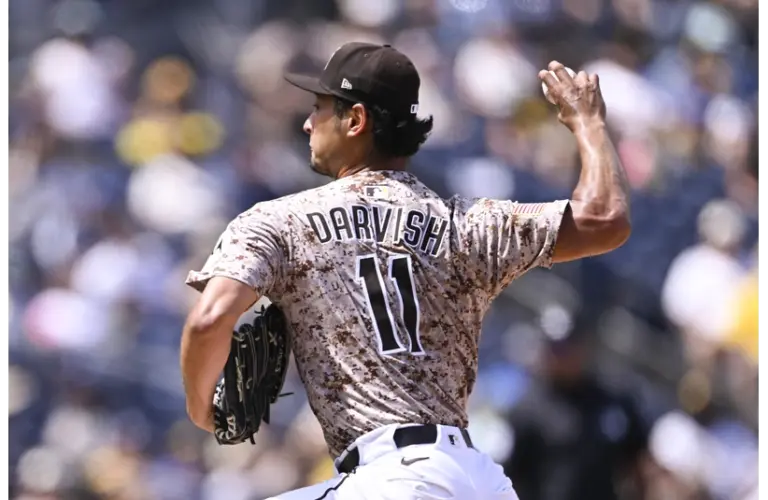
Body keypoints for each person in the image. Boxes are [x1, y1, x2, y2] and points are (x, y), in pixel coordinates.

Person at [179, 42, 631, 499]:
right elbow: (604, 220)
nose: (307, 122)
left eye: (319, 108)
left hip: (392, 479)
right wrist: (587, 123)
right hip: (477, 479)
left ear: (355, 120)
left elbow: (210, 319)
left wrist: (202, 409)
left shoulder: (282, 222)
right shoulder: (466, 224)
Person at [502, 308, 651, 500]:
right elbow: (510, 477)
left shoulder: (614, 400)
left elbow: (637, 463)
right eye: (555, 348)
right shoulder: (527, 409)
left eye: (567, 347)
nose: (561, 356)